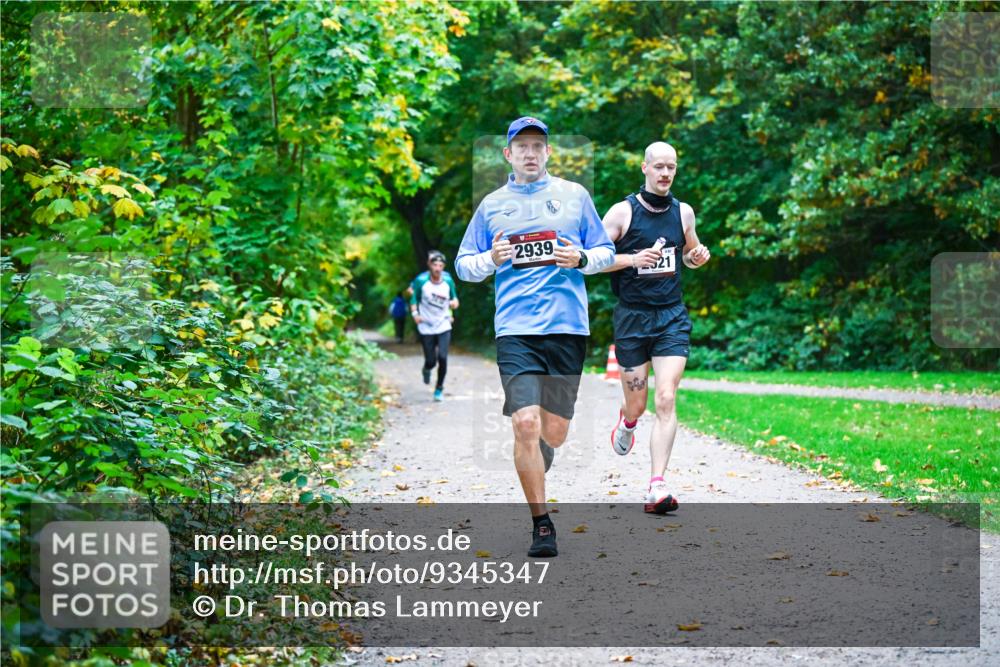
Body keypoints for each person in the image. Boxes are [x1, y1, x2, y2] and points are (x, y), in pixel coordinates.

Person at [456, 116, 615, 557]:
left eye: (537, 146)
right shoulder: (491, 205)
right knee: (524, 422)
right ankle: (542, 524)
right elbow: (463, 265)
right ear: (508, 154)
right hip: (515, 330)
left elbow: (606, 252)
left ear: (548, 153)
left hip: (567, 326)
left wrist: (580, 256)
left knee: (556, 432)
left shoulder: (574, 197)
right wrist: (490, 257)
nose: (530, 152)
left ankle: (544, 448)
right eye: (521, 146)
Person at [601, 141, 711, 514]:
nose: (666, 173)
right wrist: (632, 258)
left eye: (672, 167)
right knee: (639, 403)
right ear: (644, 167)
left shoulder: (684, 212)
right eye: (659, 166)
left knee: (665, 398)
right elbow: (592, 260)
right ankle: (628, 421)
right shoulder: (621, 212)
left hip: (670, 317)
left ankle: (656, 485)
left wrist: (697, 257)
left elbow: (690, 254)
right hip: (632, 318)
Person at [411, 250, 459, 402]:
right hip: (426, 325)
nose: (437, 268)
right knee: (431, 360)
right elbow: (413, 300)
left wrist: (453, 304)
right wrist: (415, 315)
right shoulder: (421, 281)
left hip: (443, 324)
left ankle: (439, 388)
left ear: (443, 267)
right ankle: (426, 369)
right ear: (430, 266)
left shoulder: (448, 281)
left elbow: (455, 299)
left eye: (440, 265)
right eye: (435, 265)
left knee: (443, 357)